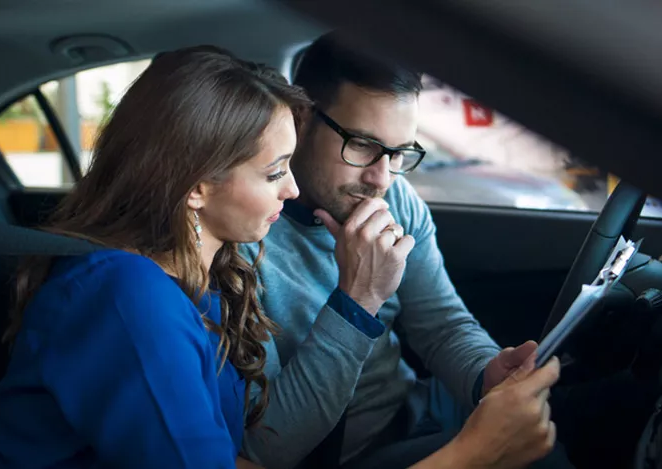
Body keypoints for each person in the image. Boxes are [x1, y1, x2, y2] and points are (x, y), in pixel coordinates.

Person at [240, 32, 573, 469]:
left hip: (416, 413)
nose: (382, 179)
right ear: (300, 119)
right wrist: (357, 302)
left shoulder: (395, 200)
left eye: (399, 153)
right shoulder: (242, 234)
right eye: (361, 144)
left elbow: (443, 325)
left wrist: (483, 373)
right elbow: (267, 446)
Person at [0, 46, 307, 469]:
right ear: (197, 187)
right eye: (275, 172)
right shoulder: (128, 296)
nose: (292, 190)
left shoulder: (192, 284)